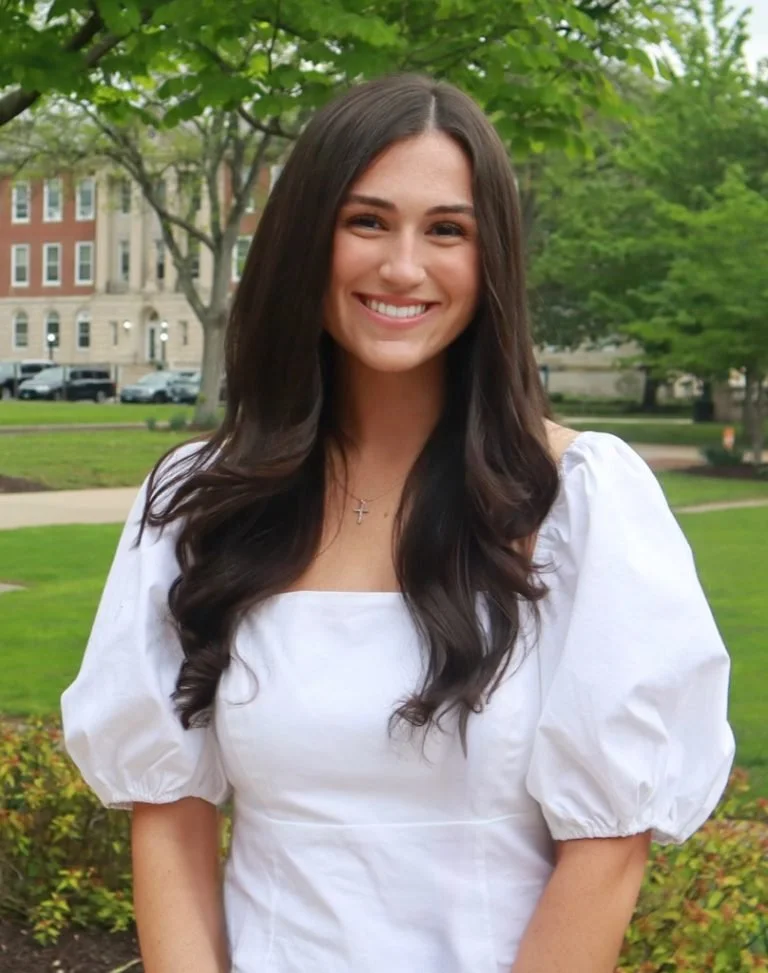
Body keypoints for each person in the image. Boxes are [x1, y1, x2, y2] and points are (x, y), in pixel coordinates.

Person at [61, 73, 735, 973]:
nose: (404, 267)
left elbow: (609, 846)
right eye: (367, 221)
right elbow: (170, 818)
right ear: (309, 237)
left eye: (447, 229)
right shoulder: (201, 502)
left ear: (489, 256)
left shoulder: (579, 500)